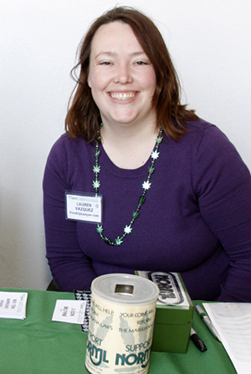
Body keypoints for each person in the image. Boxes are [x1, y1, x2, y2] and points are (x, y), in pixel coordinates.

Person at [43, 6, 251, 302]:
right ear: (88, 76)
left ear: (159, 74)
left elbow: (248, 258)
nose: (123, 77)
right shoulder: (66, 155)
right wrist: (110, 324)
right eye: (106, 62)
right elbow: (66, 260)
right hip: (102, 320)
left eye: (139, 61)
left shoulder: (207, 150)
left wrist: (214, 331)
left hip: (197, 326)